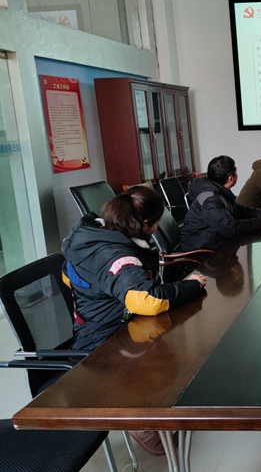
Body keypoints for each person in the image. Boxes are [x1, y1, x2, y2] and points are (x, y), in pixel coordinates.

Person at [62, 187, 206, 456]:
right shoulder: (115, 255)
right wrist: (191, 286)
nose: (156, 230)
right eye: (156, 224)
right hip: (103, 345)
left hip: (115, 324)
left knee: (177, 344)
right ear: (144, 223)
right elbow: (146, 299)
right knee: (173, 354)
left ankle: (156, 405)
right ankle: (135, 415)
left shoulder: (93, 236)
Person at [181, 155, 261, 251]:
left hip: (214, 239)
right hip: (201, 248)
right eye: (236, 173)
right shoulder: (210, 200)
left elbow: (240, 210)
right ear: (230, 178)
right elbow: (231, 228)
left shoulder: (218, 189)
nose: (237, 175)